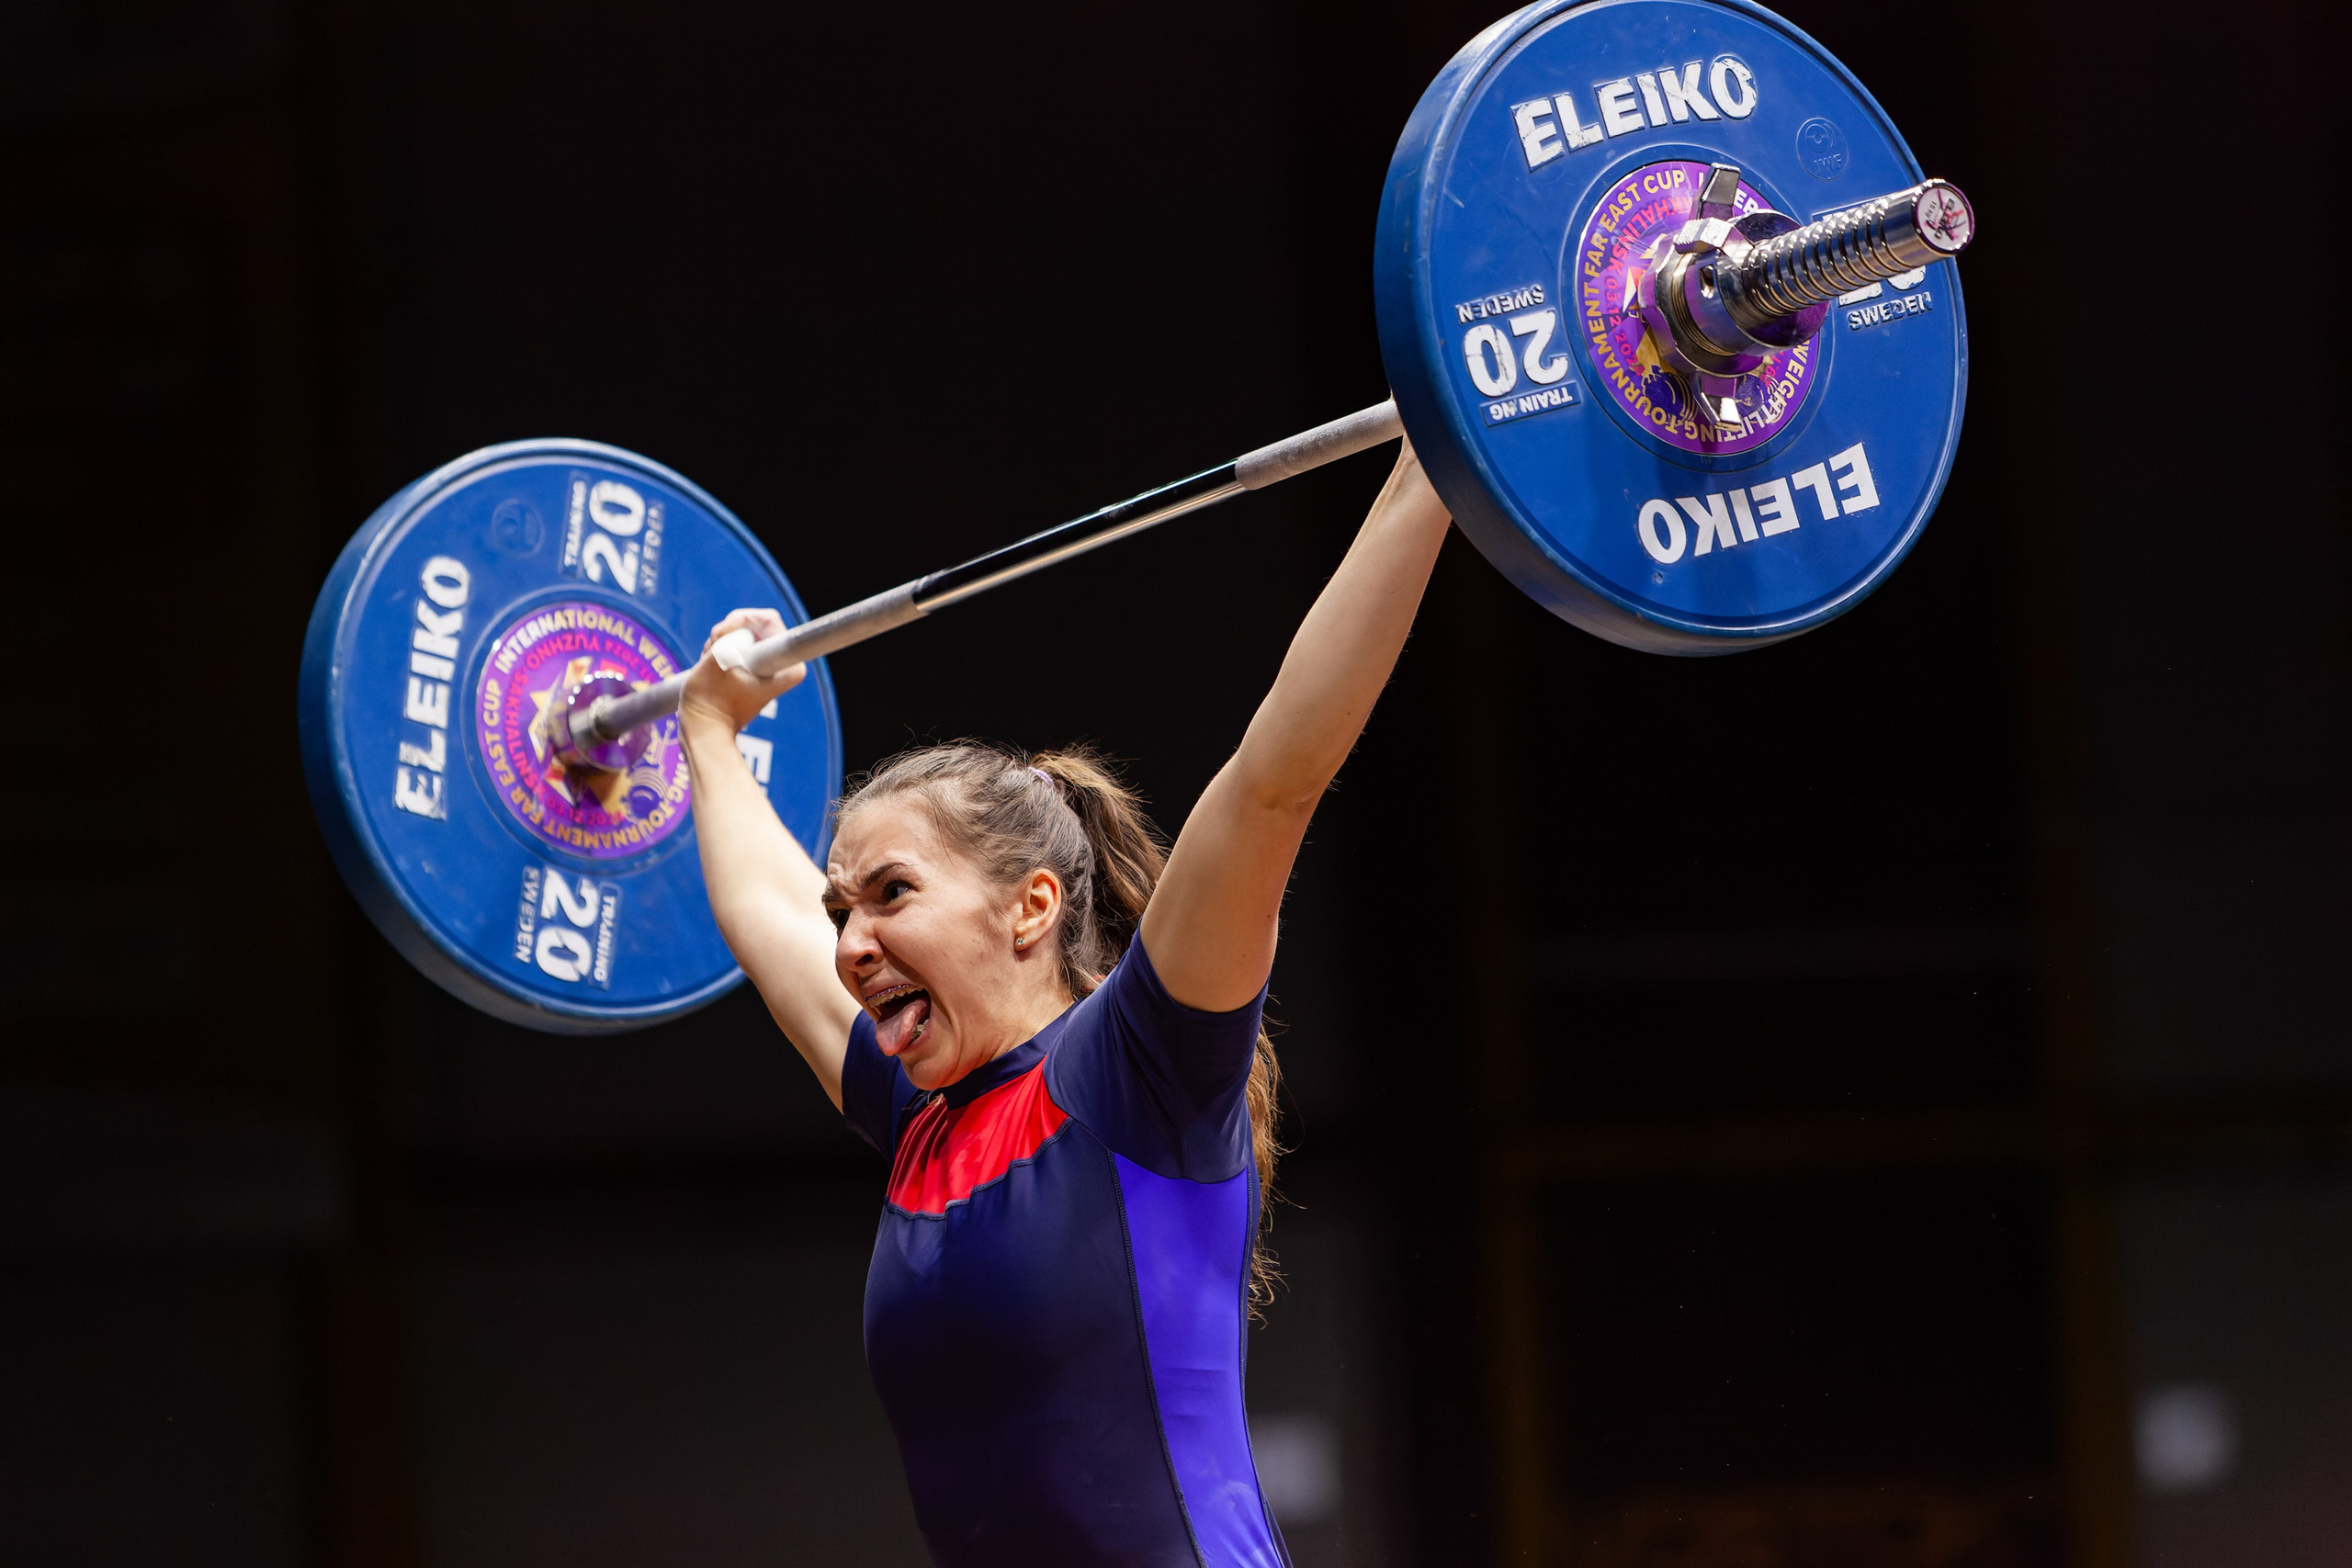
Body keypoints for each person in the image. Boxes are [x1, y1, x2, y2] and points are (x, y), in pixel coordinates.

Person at [675, 443, 1453, 1567]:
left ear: (1030, 907)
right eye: (841, 907)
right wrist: (707, 730)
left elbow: (1277, 773)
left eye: (892, 894)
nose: (851, 944)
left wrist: (1433, 464)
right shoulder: (914, 1112)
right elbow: (761, 909)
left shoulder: (1142, 1067)